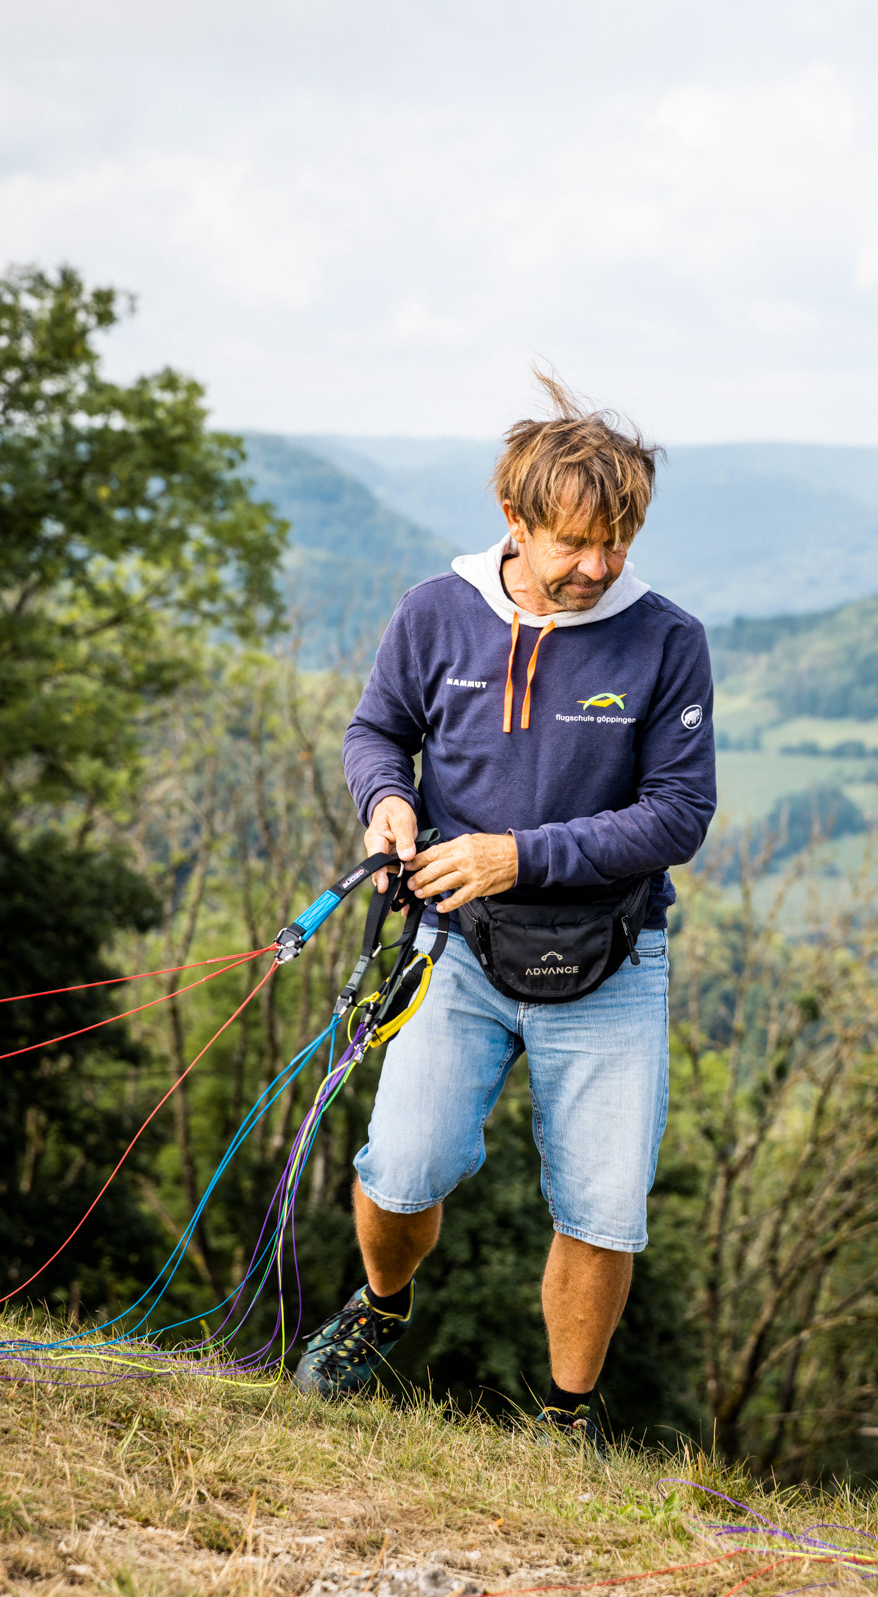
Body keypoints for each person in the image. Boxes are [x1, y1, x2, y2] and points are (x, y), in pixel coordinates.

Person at [294, 375, 716, 1440]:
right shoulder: (435, 612)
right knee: (402, 1169)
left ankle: (564, 1418)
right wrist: (387, 802)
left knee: (604, 1208)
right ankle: (380, 1307)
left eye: (617, 542)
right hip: (457, 946)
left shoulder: (667, 640)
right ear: (514, 519)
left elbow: (677, 816)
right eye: (576, 542)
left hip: (614, 956)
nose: (599, 566)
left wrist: (515, 857)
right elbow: (376, 732)